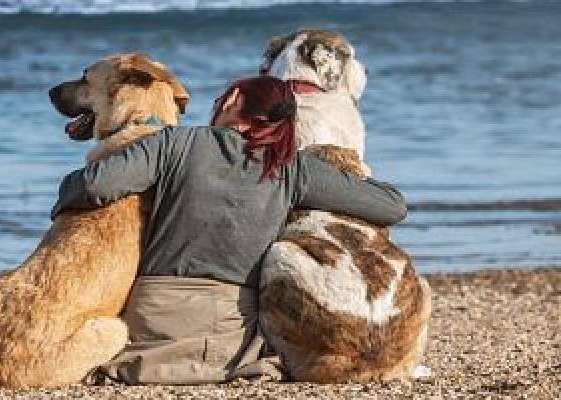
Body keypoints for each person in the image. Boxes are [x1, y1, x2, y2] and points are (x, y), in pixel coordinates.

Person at [51, 76, 407, 385]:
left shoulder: (176, 142)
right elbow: (392, 205)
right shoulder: (292, 169)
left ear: (234, 100)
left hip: (153, 319)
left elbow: (95, 185)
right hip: (229, 338)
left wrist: (62, 200)